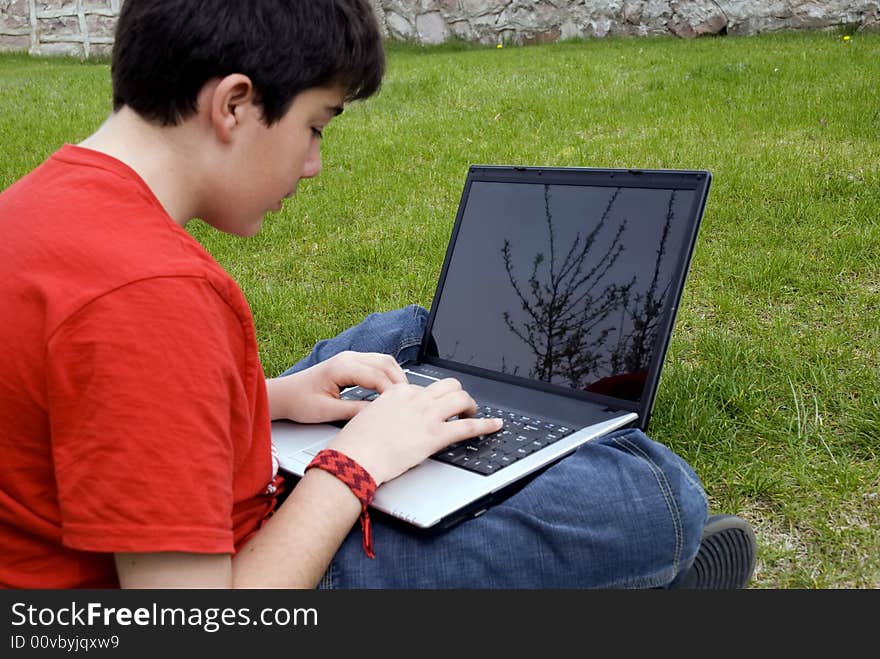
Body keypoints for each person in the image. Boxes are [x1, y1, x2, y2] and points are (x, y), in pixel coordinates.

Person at [0, 0, 756, 589]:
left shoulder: (41, 205)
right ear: (233, 104)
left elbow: (102, 406)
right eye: (315, 126)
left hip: (189, 500)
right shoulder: (153, 295)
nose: (313, 165)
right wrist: (355, 463)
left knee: (407, 335)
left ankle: (514, 442)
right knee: (657, 498)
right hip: (268, 568)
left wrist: (270, 398)